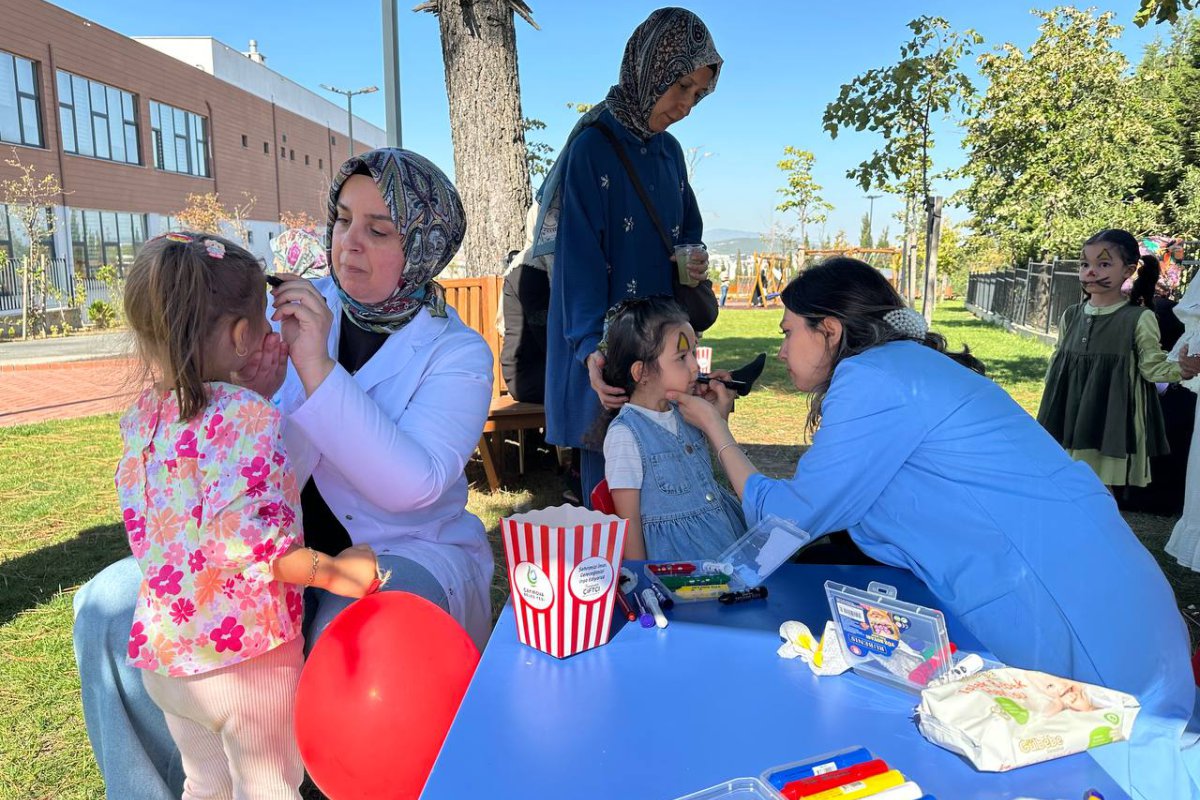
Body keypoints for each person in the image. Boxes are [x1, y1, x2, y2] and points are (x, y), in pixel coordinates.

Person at [671, 257, 1200, 799]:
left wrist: (717, 429)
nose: (781, 350)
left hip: (1072, 606)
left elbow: (789, 520)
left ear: (828, 329)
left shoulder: (872, 377)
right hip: (1084, 583)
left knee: (1130, 768)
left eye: (788, 332)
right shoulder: (900, 369)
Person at [72, 148, 495, 799]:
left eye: (379, 230)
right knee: (106, 602)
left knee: (349, 637)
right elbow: (219, 444)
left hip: (398, 548)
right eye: (342, 218)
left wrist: (317, 370)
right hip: (258, 547)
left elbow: (413, 487)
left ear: (425, 248)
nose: (348, 243)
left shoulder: (457, 353)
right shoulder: (286, 307)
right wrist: (254, 380)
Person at [115, 231, 382, 797]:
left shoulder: (142, 422)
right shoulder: (247, 419)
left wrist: (252, 390)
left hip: (168, 657)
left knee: (204, 784)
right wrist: (339, 571)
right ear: (241, 336)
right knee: (268, 787)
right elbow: (259, 549)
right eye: (262, 325)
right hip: (244, 659)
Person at [531, 7, 723, 506]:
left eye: (699, 95)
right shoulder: (593, 147)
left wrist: (694, 257)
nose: (686, 105)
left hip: (664, 344)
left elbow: (688, 230)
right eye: (681, 86)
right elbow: (578, 262)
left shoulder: (670, 152)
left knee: (670, 474)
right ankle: (619, 582)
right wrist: (593, 353)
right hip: (610, 349)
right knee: (615, 488)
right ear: (649, 70)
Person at [1037, 229, 1199, 489]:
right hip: (1067, 411)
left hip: (1109, 414)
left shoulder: (1138, 318)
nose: (1090, 271)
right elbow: (1058, 361)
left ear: (1128, 270)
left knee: (1099, 484)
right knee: (1066, 479)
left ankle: (1102, 527)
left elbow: (1151, 365)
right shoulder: (1071, 315)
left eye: (1103, 264)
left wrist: (1183, 369)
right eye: (1084, 264)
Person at [590, 296, 745, 559]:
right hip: (681, 567)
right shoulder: (626, 436)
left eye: (694, 352)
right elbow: (629, 524)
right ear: (642, 373)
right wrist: (642, 580)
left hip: (724, 541)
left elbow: (700, 474)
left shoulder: (684, 410)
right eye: (682, 357)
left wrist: (717, 417)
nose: (695, 365)